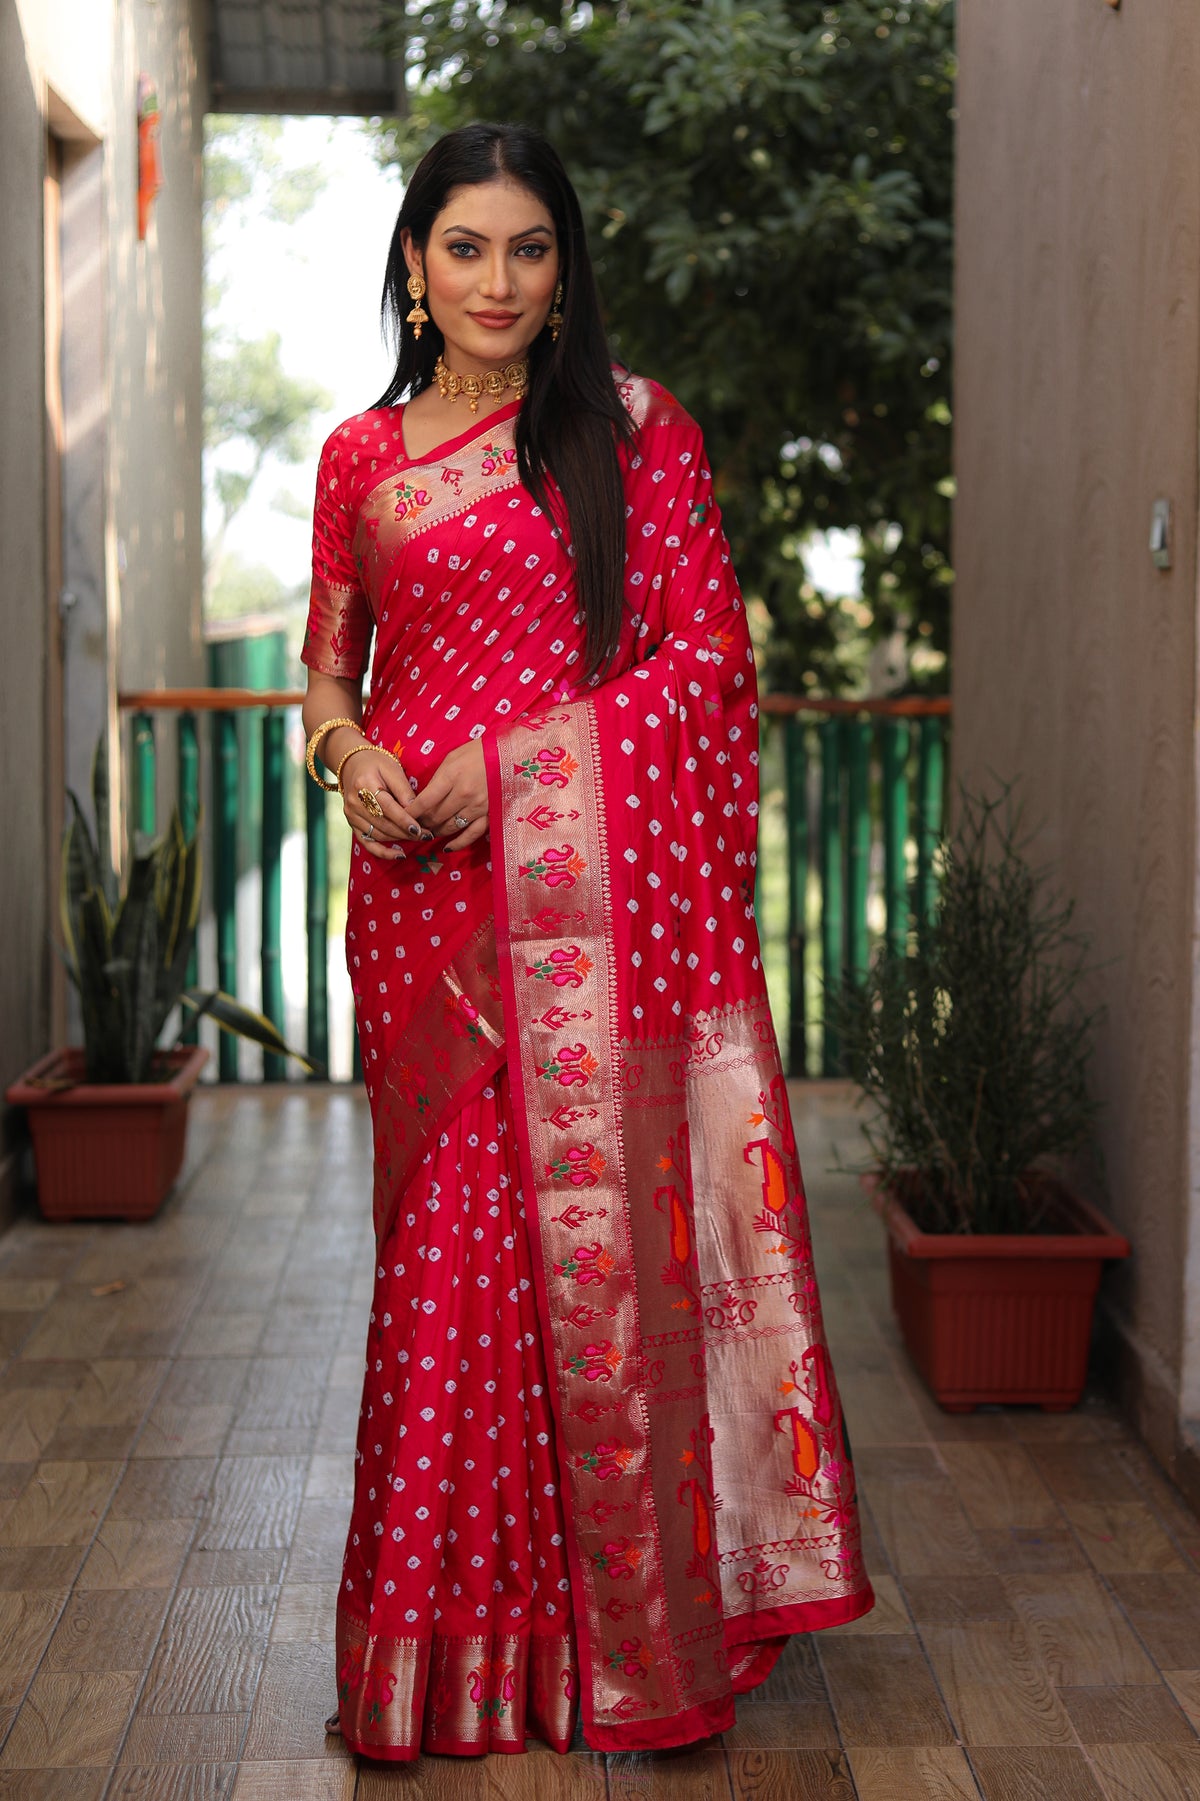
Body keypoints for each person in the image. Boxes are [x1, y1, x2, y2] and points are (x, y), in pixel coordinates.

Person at [301, 120, 873, 1765]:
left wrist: (515, 768)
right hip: (418, 906)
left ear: (567, 274)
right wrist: (354, 764)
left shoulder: (634, 432)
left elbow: (705, 664)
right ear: (415, 267)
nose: (497, 280)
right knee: (448, 1273)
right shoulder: (361, 458)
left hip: (580, 912)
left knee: (591, 1260)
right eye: (465, 247)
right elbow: (329, 673)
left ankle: (613, 1649)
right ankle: (448, 1661)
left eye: (529, 248)